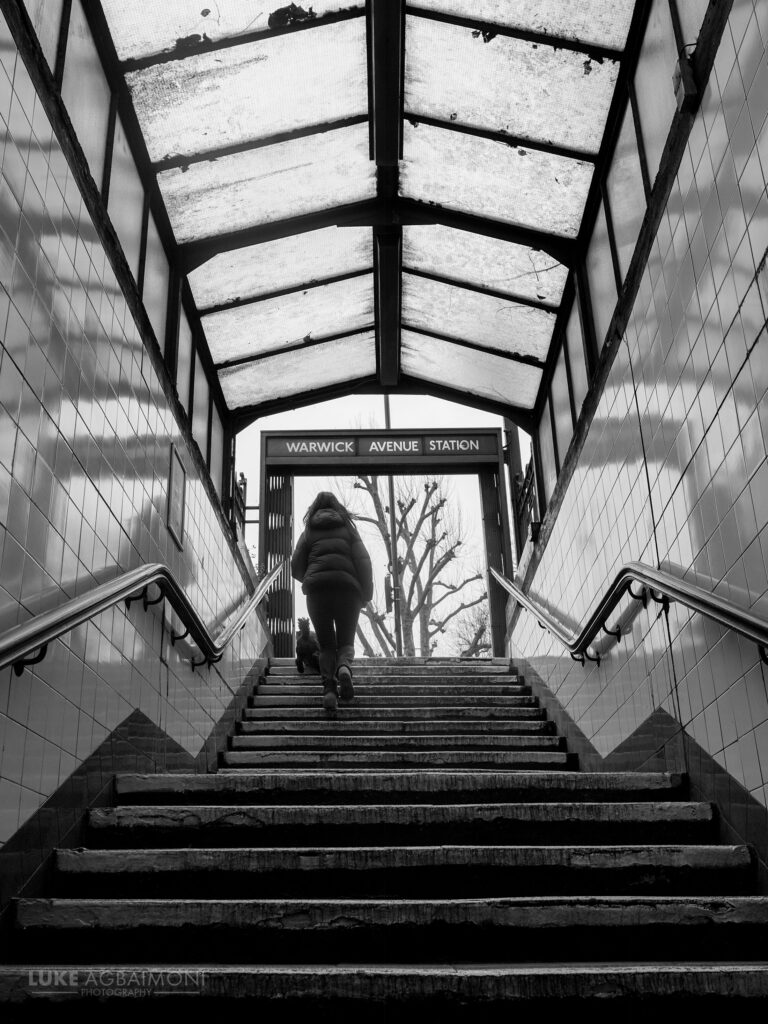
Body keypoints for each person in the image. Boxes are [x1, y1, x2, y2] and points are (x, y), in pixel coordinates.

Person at [290, 492, 373, 713]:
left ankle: (329, 691)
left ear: (314, 508)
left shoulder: (309, 531)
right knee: (345, 642)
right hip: (348, 591)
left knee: (326, 645)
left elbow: (295, 565)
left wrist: (312, 577)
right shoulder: (348, 529)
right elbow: (364, 561)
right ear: (337, 507)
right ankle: (344, 668)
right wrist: (366, 593)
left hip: (318, 593)